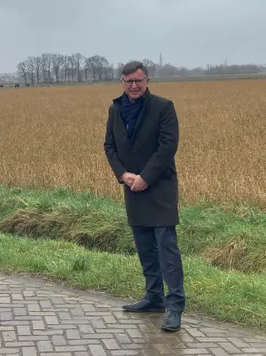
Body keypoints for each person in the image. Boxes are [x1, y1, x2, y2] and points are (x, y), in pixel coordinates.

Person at [103, 60, 184, 332]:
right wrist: (124, 175)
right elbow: (109, 146)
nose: (134, 86)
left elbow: (167, 146)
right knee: (144, 247)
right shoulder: (116, 109)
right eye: (129, 81)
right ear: (122, 82)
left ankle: (175, 306)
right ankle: (153, 297)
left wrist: (145, 177)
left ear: (147, 81)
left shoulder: (163, 107)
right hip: (132, 186)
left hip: (158, 187)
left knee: (166, 249)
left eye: (138, 81)